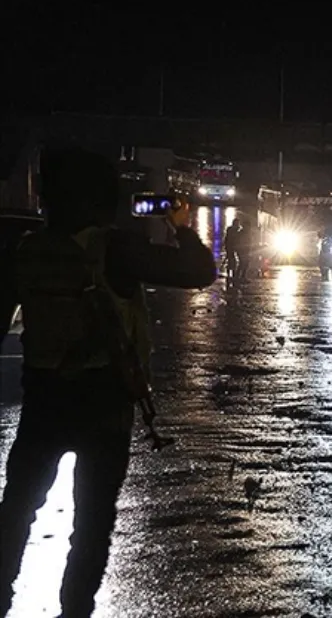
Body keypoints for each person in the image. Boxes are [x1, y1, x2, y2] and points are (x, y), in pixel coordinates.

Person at [0, 148, 215, 618]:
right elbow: (201, 271)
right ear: (104, 201)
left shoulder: (27, 251)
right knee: (92, 523)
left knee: (16, 511)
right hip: (104, 404)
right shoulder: (113, 249)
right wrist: (180, 222)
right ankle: (74, 610)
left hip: (43, 400)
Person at [224, 218, 246, 282]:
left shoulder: (231, 230)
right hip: (231, 248)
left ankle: (232, 275)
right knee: (232, 261)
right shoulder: (233, 231)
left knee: (231, 261)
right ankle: (233, 276)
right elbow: (231, 240)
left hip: (231, 248)